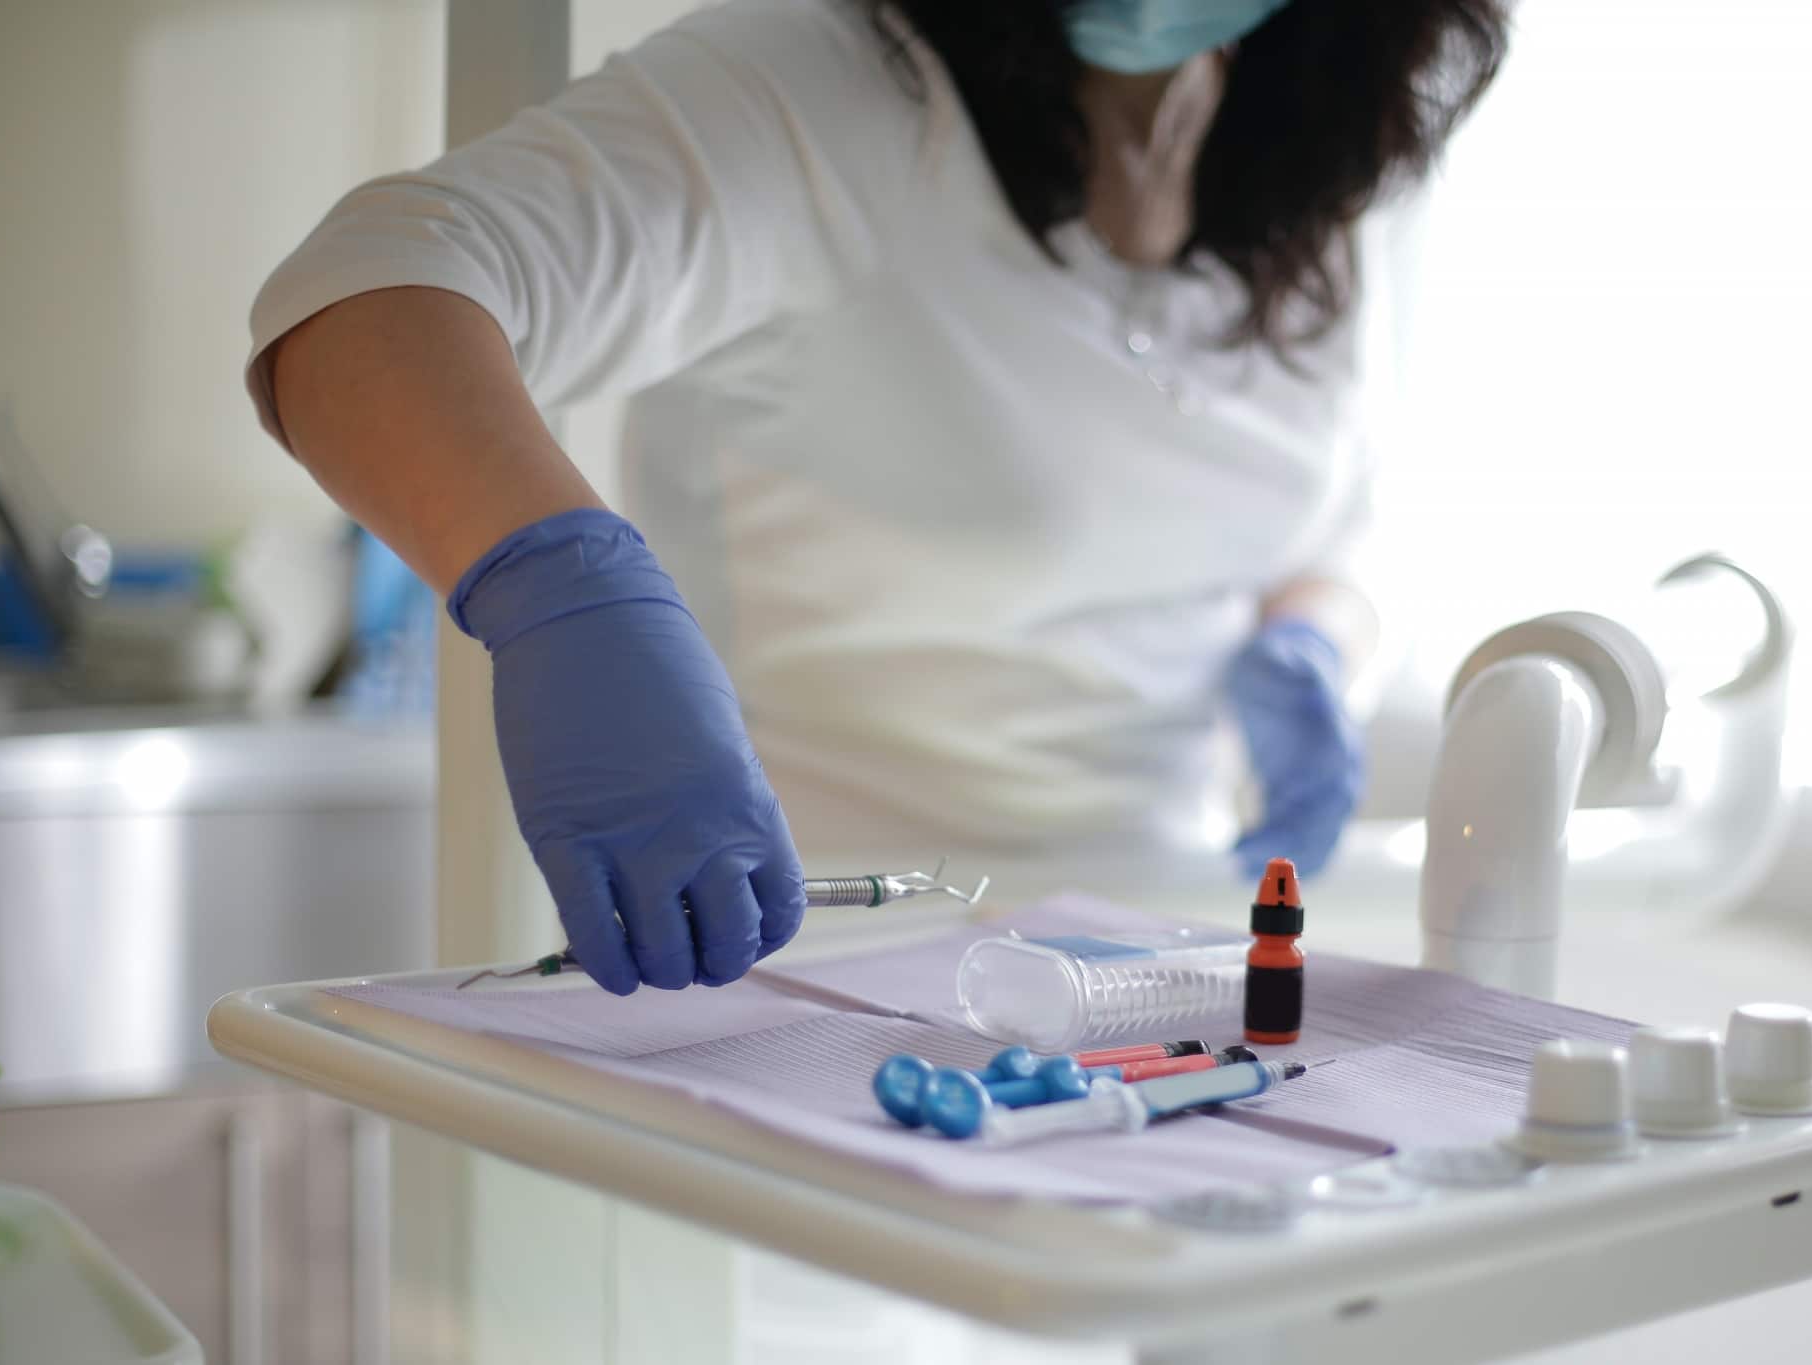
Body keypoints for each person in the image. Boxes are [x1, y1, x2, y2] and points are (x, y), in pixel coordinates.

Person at [247, 0, 1508, 995]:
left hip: (1159, 972)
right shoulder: (818, 85)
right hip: (802, 969)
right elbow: (364, 295)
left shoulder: (1325, 159)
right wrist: (566, 596)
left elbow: (1328, 531)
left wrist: (1312, 642)